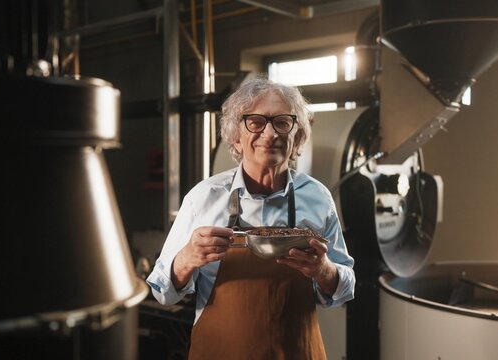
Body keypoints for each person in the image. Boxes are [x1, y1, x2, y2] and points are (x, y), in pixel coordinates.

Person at [147, 77, 355, 360]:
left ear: (298, 137)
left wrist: (324, 269)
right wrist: (187, 258)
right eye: (255, 122)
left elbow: (345, 288)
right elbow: (162, 291)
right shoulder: (203, 198)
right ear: (236, 136)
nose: (269, 134)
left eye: (282, 122)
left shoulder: (318, 198)